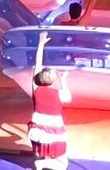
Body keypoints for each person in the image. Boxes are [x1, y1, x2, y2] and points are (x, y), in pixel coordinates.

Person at [28, 33, 71, 170]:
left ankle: (42, 160)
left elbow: (37, 64)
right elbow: (68, 98)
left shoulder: (36, 89)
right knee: (63, 164)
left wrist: (41, 44)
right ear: (53, 80)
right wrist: (63, 79)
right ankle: (42, 164)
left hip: (39, 128)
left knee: (42, 149)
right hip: (53, 130)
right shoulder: (59, 94)